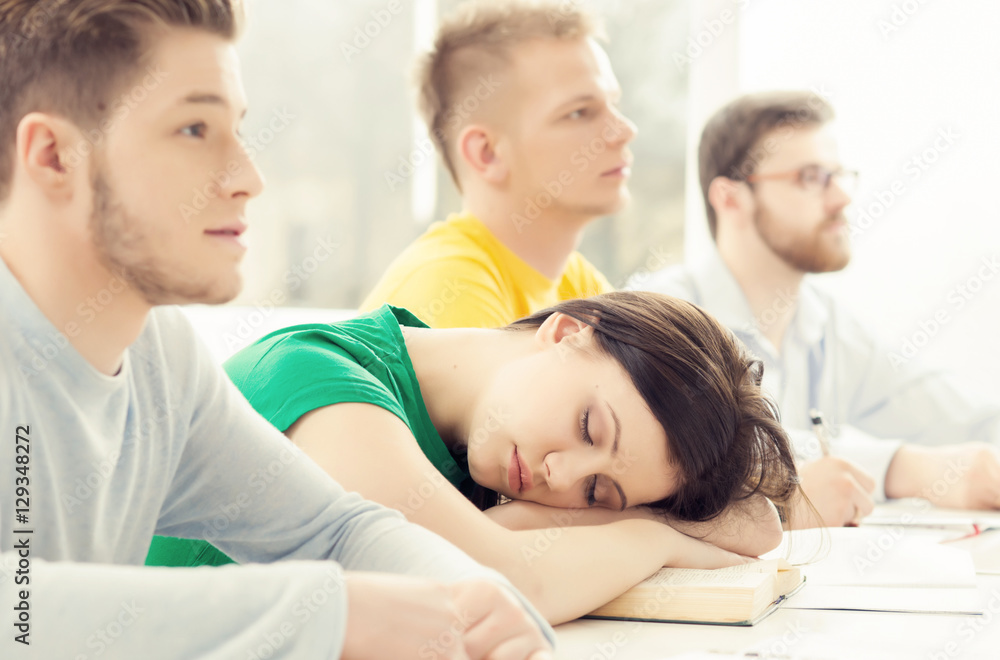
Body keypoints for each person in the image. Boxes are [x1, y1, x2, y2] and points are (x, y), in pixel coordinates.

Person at [0, 1, 555, 658]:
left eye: (237, 129)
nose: (248, 178)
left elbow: (334, 531)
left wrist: (479, 604)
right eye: (193, 129)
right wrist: (327, 617)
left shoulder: (160, 358)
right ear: (54, 155)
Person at [147, 290, 801, 624]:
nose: (561, 477)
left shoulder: (468, 437)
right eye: (588, 426)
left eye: (598, 492)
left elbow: (756, 523)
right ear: (568, 331)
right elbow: (506, 582)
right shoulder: (323, 385)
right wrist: (657, 536)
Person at [635, 90, 1000, 528]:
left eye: (838, 175)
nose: (842, 198)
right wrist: (903, 468)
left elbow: (959, 418)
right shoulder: (665, 318)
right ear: (731, 198)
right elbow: (717, 452)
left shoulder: (828, 324)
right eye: (811, 178)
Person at [360, 0, 632, 328]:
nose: (624, 131)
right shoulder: (451, 290)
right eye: (578, 112)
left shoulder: (575, 280)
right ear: (486, 153)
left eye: (612, 104)